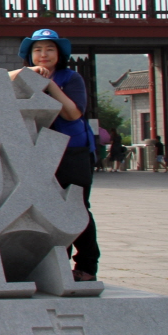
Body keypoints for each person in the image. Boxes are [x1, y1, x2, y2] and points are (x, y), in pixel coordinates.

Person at [9, 28, 100, 280]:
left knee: (76, 207)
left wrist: (49, 84)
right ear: (29, 55)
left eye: (50, 49)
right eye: (37, 50)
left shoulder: (71, 78)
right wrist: (29, 75)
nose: (43, 54)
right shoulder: (24, 76)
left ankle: (86, 265)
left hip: (72, 150)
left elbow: (72, 113)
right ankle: (56, 263)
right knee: (47, 209)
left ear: (60, 54)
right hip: (38, 153)